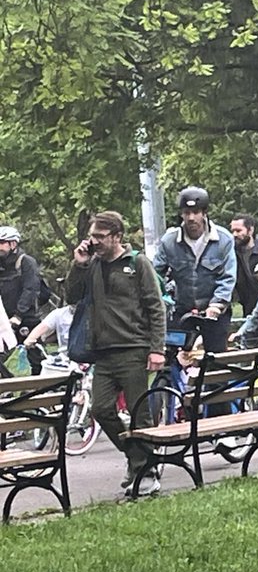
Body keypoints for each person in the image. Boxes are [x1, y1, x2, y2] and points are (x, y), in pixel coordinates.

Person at [65, 211, 166, 496]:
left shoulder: (137, 263)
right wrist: (79, 265)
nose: (94, 241)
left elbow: (155, 308)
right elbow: (71, 297)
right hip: (103, 353)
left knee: (139, 413)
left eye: (100, 236)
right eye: (92, 236)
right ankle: (138, 458)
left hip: (134, 349)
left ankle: (146, 475)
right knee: (100, 409)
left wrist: (157, 348)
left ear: (117, 237)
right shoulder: (92, 265)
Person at [153, 186, 238, 415]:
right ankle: (173, 410)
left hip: (214, 311)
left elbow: (228, 277)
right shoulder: (170, 241)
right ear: (181, 214)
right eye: (186, 213)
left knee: (215, 364)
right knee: (168, 358)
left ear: (204, 213)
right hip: (183, 309)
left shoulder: (223, 240)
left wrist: (216, 306)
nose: (191, 218)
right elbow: (154, 275)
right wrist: (161, 299)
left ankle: (222, 426)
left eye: (196, 212)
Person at [0, 226, 44, 375]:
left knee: (36, 360)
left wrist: (18, 315)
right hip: (5, 322)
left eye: (2, 243)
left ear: (13, 244)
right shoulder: (2, 265)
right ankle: (9, 389)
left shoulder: (26, 262)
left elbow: (31, 289)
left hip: (26, 320)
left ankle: (42, 391)